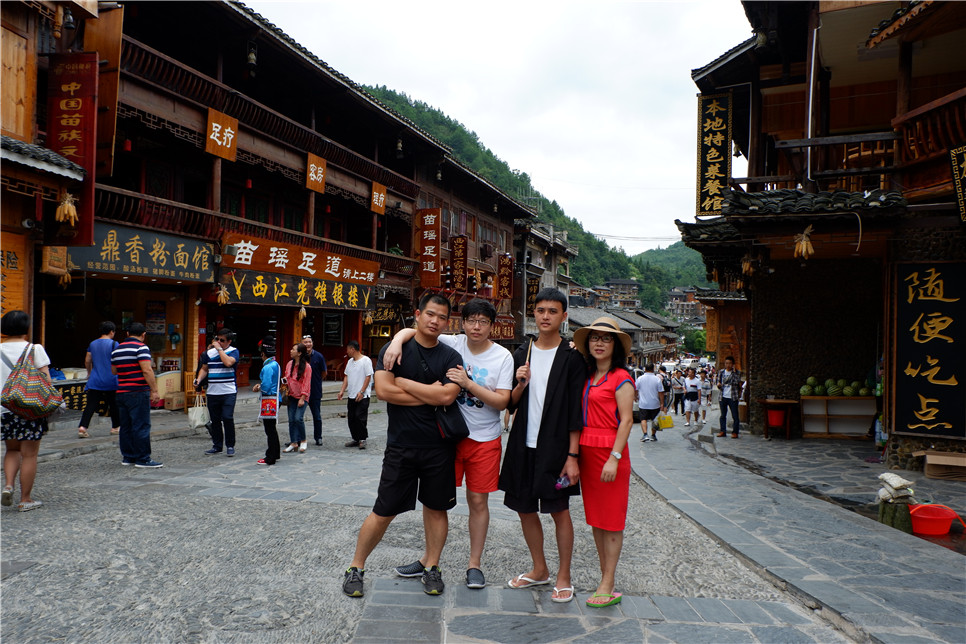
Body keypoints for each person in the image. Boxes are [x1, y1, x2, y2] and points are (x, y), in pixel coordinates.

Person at [383, 298, 513, 590]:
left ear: (492, 326)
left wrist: (468, 383)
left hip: (484, 439)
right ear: (462, 323)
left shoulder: (502, 357)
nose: (476, 327)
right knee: (434, 501)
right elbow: (416, 330)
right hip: (447, 437)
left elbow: (502, 402)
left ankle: (474, 564)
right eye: (471, 320)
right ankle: (429, 560)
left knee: (477, 501)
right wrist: (396, 342)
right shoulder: (454, 342)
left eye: (483, 322)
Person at [342, 293, 462, 599]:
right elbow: (384, 392)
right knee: (383, 510)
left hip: (439, 447)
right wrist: (427, 392)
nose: (435, 321)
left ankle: (432, 566)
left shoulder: (450, 357)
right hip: (401, 445)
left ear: (447, 322)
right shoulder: (392, 349)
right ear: (418, 314)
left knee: (436, 509)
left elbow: (447, 396)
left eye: (442, 317)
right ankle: (356, 567)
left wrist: (404, 384)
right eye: (430, 314)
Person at [500, 288, 584, 604]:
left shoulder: (572, 357)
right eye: (540, 310)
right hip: (523, 445)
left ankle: (564, 576)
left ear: (564, 316)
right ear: (533, 313)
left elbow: (576, 411)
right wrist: (521, 383)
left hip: (558, 449)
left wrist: (573, 456)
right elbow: (510, 403)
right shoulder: (523, 353)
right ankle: (539, 569)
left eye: (552, 311)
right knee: (524, 508)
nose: (545, 316)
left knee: (559, 510)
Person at [573, 317, 635, 608]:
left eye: (606, 338)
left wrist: (614, 457)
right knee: (597, 520)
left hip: (610, 454)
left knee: (611, 521)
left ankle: (608, 582)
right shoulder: (586, 376)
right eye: (595, 338)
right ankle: (604, 576)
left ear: (615, 345)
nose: (599, 343)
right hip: (587, 452)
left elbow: (627, 421)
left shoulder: (621, 377)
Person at [1, 310, 53, 511]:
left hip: (5, 409)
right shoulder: (34, 349)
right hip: (30, 408)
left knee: (12, 449)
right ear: (26, 328)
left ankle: (8, 485)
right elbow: (46, 380)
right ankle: (25, 499)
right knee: (29, 455)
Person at [111, 322, 162, 468]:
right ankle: (143, 458)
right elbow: (147, 370)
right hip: (138, 391)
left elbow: (114, 371)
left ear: (128, 334)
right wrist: (154, 390)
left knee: (126, 426)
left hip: (122, 392)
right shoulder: (141, 348)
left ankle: (128, 456)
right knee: (141, 425)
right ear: (143, 334)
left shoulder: (117, 349)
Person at [194, 328, 239, 456]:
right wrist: (198, 380)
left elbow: (228, 363)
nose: (218, 342)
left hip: (228, 391)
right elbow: (204, 368)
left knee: (227, 417)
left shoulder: (233, 351)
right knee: (215, 420)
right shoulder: (209, 353)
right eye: (217, 339)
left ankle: (230, 445)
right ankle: (217, 445)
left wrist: (219, 350)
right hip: (213, 392)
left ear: (229, 341)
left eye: (222, 340)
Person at [77, 321, 119, 438]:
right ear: (111, 332)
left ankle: (83, 427)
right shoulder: (114, 344)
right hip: (111, 379)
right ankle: (115, 427)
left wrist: (89, 372)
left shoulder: (93, 343)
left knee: (90, 405)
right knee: (114, 404)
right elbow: (118, 361)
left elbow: (87, 360)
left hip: (95, 379)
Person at [338, 340, 373, 450]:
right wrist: (342, 390)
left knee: (360, 417)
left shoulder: (366, 360)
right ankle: (355, 438)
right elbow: (346, 376)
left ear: (352, 349)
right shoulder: (350, 362)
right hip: (351, 394)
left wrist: (362, 391)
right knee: (352, 418)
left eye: (348, 349)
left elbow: (368, 376)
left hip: (363, 395)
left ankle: (362, 438)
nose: (347, 352)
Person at [252, 338, 281, 465]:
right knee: (272, 428)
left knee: (269, 430)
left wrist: (259, 387)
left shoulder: (268, 367)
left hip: (269, 399)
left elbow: (267, 386)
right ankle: (275, 453)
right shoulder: (275, 364)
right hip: (275, 398)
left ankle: (271, 456)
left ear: (263, 354)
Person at [282, 343, 312, 453]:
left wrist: (302, 398)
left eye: (293, 349)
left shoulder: (307, 367)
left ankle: (303, 440)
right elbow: (287, 377)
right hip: (291, 395)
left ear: (299, 353)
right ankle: (293, 442)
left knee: (298, 418)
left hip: (302, 396)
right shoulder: (290, 364)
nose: (291, 351)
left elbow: (306, 383)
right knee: (291, 420)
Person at [301, 334, 327, 447]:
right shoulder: (299, 356)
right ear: (302, 344)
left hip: (315, 390)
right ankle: (298, 438)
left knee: (317, 416)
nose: (308, 344)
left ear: (312, 343)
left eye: (309, 342)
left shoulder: (319, 356)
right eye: (305, 342)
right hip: (301, 392)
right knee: (298, 417)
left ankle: (318, 437)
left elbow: (324, 372)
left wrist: (316, 381)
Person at [635, 362, 664, 442]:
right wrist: (662, 403)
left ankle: (645, 434)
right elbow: (661, 392)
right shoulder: (657, 379)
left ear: (645, 369)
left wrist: (635, 397)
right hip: (655, 404)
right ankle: (653, 435)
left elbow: (636, 389)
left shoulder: (640, 379)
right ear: (653, 369)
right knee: (654, 420)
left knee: (643, 419)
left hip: (643, 404)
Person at [716, 356, 743, 439]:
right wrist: (718, 385)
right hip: (723, 396)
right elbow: (718, 382)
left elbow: (737, 382)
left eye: (730, 363)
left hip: (733, 396)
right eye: (726, 363)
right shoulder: (721, 372)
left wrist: (734, 372)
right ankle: (722, 431)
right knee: (723, 415)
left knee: (735, 416)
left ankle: (735, 432)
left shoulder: (737, 373)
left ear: (733, 364)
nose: (728, 365)